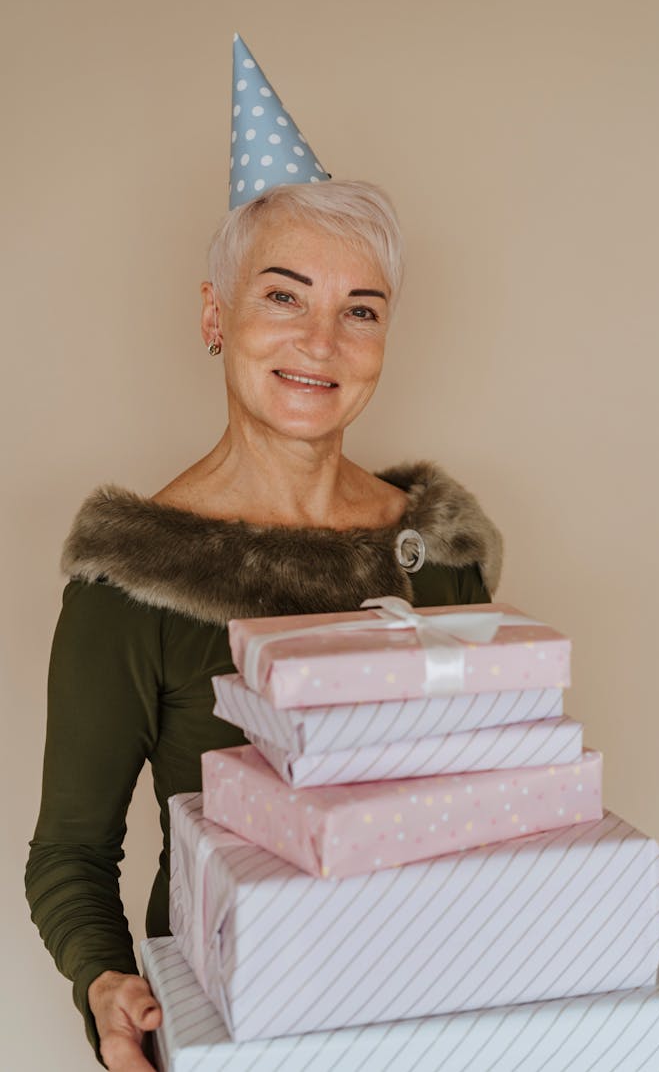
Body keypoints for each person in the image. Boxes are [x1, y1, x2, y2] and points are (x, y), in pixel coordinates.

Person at [25, 179, 503, 1071]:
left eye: (360, 310)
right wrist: (105, 983)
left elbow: (484, 802)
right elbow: (69, 853)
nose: (320, 342)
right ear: (216, 315)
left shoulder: (437, 553)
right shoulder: (132, 584)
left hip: (434, 1019)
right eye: (284, 295)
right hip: (236, 1028)